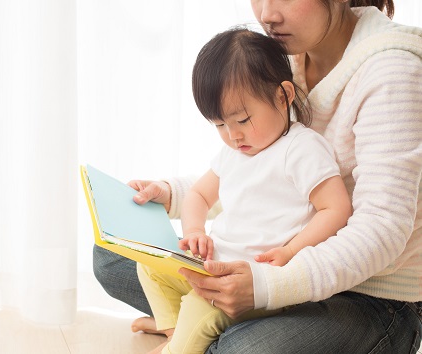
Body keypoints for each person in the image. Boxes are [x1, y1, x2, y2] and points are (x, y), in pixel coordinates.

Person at [93, 1, 422, 353]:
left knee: (243, 349)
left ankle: (204, 330)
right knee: (112, 255)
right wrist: (170, 194)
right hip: (270, 265)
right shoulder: (281, 56)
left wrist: (269, 285)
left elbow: (382, 229)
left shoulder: (391, 69)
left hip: (371, 296)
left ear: (284, 96)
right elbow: (258, 182)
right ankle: (192, 327)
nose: (267, 14)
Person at [136, 27, 352, 354]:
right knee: (149, 265)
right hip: (216, 266)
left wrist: (291, 252)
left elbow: (336, 209)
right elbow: (198, 195)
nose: (233, 136)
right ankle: (174, 333)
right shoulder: (235, 152)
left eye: (242, 119)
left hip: (256, 282)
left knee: (199, 307)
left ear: (283, 96)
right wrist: (195, 232)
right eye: (220, 125)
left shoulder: (301, 149)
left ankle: (179, 342)